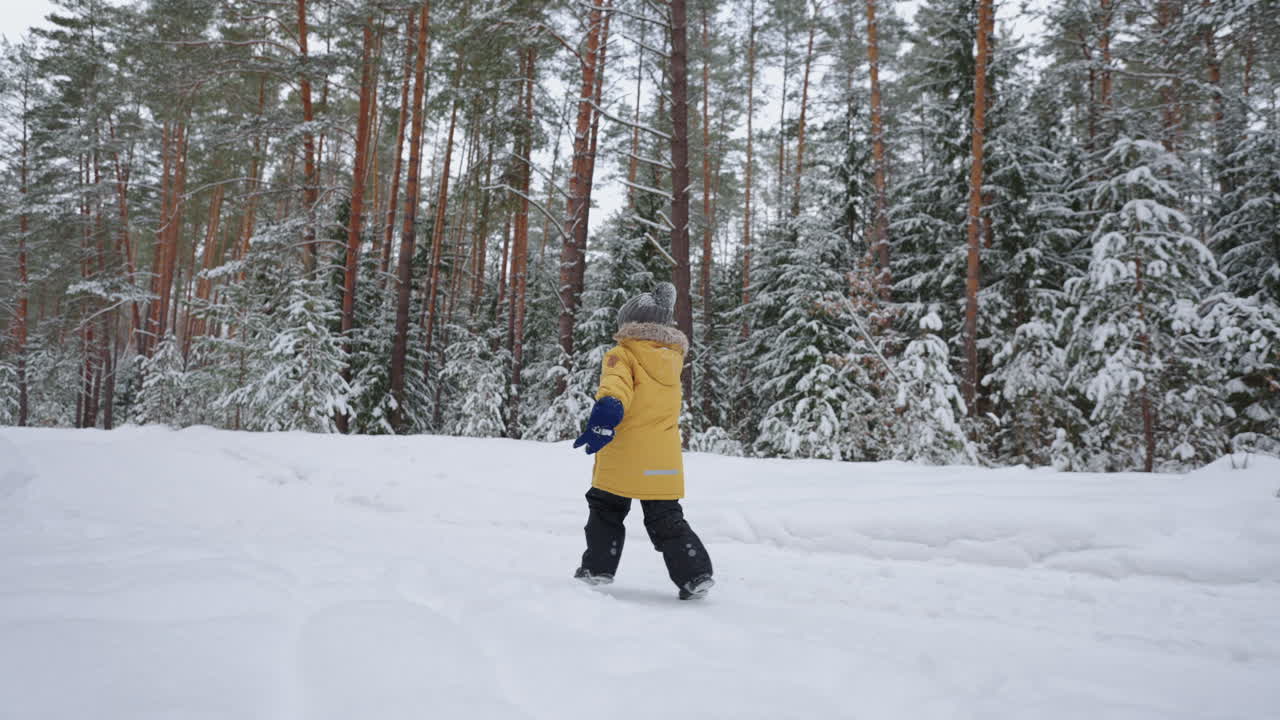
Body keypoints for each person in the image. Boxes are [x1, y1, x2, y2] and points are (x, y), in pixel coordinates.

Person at [572, 282, 715, 600]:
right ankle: (695, 574)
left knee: (605, 510)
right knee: (666, 518)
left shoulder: (621, 354)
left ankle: (597, 569)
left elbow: (616, 387)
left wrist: (604, 417)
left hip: (623, 454)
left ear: (629, 326)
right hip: (663, 460)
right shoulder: (672, 360)